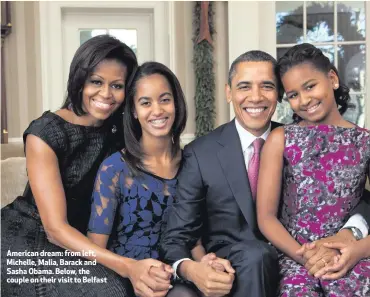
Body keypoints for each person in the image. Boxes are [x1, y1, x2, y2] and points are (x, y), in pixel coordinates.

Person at [159, 50, 370, 297]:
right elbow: (177, 236)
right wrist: (195, 268)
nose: (256, 97)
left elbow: (354, 196)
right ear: (229, 92)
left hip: (311, 257)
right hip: (243, 271)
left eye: (267, 86)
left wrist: (352, 233)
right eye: (244, 87)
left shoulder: (300, 136)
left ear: (278, 95)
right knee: (256, 256)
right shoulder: (201, 154)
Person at [1, 35, 145, 297]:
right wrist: (127, 266)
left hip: (82, 238)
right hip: (28, 236)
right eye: (96, 82)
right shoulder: (45, 133)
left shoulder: (118, 130)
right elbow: (55, 229)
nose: (106, 94)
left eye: (117, 85)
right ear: (79, 81)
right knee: (111, 290)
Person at [257, 43, 370, 296]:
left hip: (350, 256)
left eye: (310, 86)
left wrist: (356, 251)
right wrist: (306, 256)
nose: (304, 100)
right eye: (294, 94)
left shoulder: (365, 141)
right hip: (294, 255)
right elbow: (266, 218)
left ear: (332, 78)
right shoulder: (281, 138)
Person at [87, 61, 209, 297]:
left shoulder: (193, 163)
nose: (158, 110)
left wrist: (206, 264)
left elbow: (194, 238)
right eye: (145, 103)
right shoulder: (114, 169)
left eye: (165, 99)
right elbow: (95, 250)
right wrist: (132, 271)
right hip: (127, 278)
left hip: (177, 274)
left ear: (176, 103)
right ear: (133, 110)